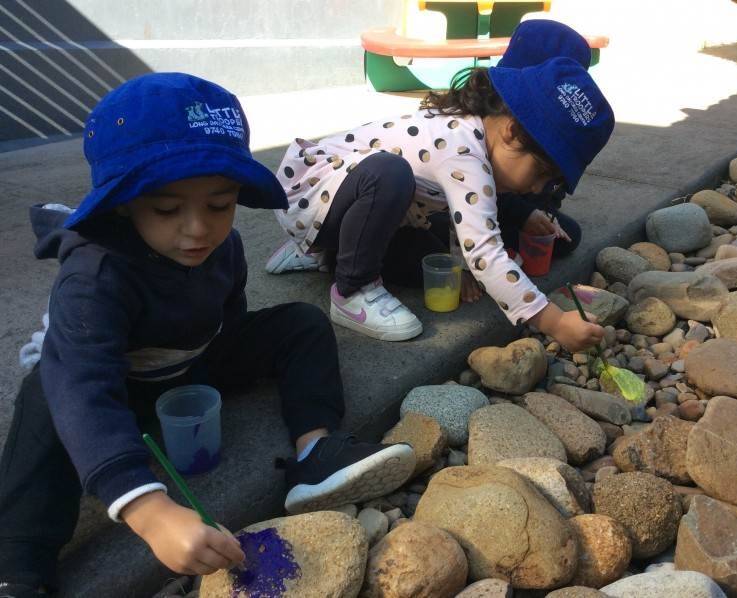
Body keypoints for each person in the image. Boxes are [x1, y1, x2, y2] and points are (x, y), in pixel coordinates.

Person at [0, 73, 415, 598]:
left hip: (193, 359)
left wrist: (219, 365)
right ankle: (20, 557)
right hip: (116, 379)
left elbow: (229, 316)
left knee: (301, 323)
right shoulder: (95, 273)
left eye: (219, 205)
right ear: (123, 203)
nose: (198, 229)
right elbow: (83, 384)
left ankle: (315, 451)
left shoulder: (226, 246)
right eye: (168, 209)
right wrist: (150, 511)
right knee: (46, 397)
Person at [265, 58, 613, 347]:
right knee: (388, 172)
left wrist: (459, 266)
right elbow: (484, 249)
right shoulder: (463, 151)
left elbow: (463, 216)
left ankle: (319, 249)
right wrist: (552, 321)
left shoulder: (476, 139)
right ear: (511, 131)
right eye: (539, 173)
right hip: (310, 195)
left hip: (345, 204)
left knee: (425, 260)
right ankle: (351, 291)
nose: (535, 188)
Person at [494, 19, 594, 269]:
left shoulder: (558, 130)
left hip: (503, 210)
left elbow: (550, 191)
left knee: (567, 236)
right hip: (460, 204)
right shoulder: (485, 117)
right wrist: (522, 213)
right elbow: (468, 182)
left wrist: (543, 214)